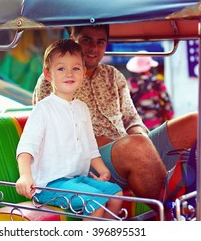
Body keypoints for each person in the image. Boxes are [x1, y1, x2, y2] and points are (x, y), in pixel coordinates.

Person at [33, 25, 201, 203]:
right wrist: (103, 141)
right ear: (73, 37)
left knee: (197, 122)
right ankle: (175, 211)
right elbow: (51, 132)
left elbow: (132, 119)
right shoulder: (54, 77)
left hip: (131, 148)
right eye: (86, 40)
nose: (93, 48)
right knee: (134, 146)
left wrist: (142, 138)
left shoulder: (113, 75)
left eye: (100, 42)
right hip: (89, 162)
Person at [16, 39, 123, 220]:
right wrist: (25, 176)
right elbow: (26, 147)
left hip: (77, 179)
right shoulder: (43, 108)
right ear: (48, 75)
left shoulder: (82, 107)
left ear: (83, 73)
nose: (69, 74)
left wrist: (103, 170)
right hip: (49, 184)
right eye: (61, 69)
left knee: (117, 195)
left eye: (75, 68)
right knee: (95, 200)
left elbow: (91, 147)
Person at [126, 56, 174, 130]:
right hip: (156, 124)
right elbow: (166, 102)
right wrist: (170, 118)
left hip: (138, 126)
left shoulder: (130, 83)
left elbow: (125, 105)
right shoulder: (157, 81)